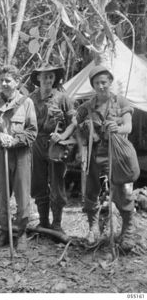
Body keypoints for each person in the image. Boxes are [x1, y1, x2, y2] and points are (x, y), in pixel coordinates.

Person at [61, 65, 136, 251]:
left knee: (123, 194)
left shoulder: (121, 102)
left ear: (110, 82)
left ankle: (127, 231)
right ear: (92, 85)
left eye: (104, 82)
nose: (101, 86)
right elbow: (75, 124)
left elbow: (129, 126)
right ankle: (93, 228)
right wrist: (66, 139)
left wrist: (117, 128)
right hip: (93, 157)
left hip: (117, 156)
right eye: (97, 83)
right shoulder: (87, 106)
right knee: (90, 194)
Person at [0, 65, 37, 250]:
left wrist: (14, 141)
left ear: (17, 82)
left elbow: (32, 132)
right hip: (0, 154)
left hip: (21, 154)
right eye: (2, 80)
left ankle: (21, 233)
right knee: (2, 195)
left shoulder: (26, 103)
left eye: (8, 80)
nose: (4, 84)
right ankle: (4, 232)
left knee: (23, 196)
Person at [29, 63, 74, 233]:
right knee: (38, 183)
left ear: (55, 79)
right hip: (36, 144)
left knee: (57, 183)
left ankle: (57, 223)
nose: (48, 79)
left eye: (51, 76)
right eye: (44, 76)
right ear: (38, 78)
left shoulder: (63, 98)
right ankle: (43, 221)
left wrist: (62, 136)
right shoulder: (30, 99)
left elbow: (73, 123)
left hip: (56, 145)